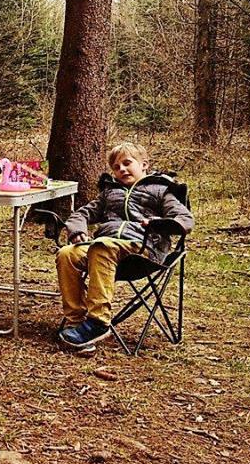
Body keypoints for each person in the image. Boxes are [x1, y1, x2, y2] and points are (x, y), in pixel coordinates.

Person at [55, 141, 193, 351]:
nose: (122, 169)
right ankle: (76, 322)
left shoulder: (161, 190)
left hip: (143, 249)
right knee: (67, 254)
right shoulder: (110, 193)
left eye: (127, 163)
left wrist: (158, 223)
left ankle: (98, 322)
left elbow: (184, 219)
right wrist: (77, 230)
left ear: (144, 164)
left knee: (101, 246)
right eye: (116, 167)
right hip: (105, 249)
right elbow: (82, 214)